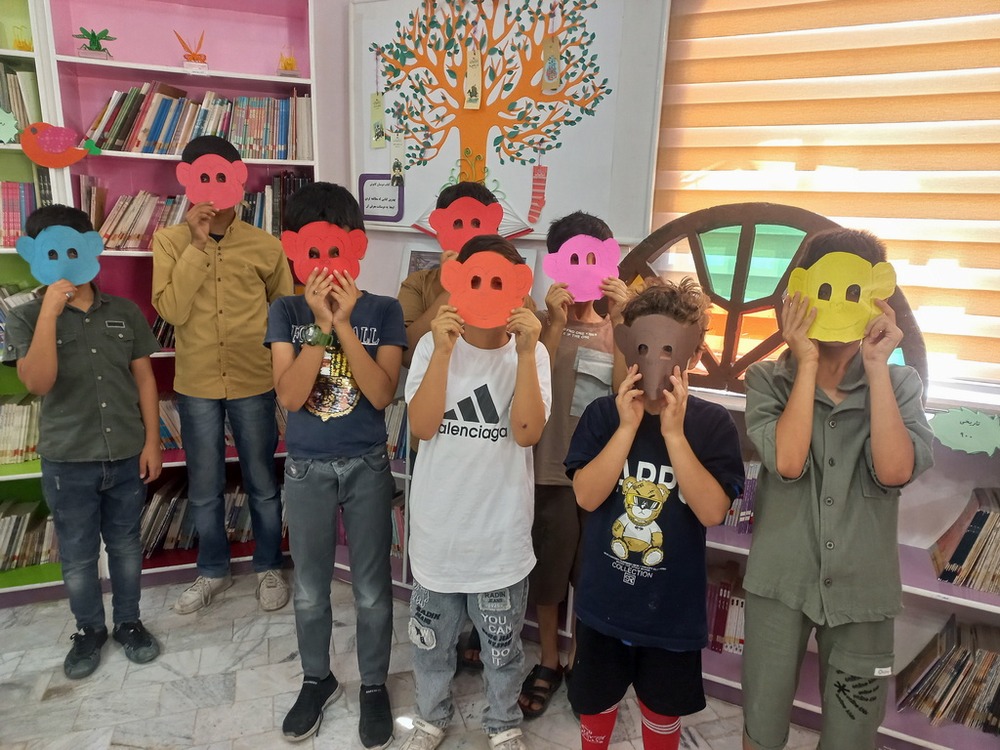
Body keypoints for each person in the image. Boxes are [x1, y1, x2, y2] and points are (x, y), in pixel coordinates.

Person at [740, 228, 934, 750]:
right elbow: (787, 461)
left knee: (852, 733)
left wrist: (876, 367)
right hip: (780, 583)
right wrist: (805, 361)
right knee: (761, 725)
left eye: (853, 292)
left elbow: (894, 471)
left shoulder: (899, 385)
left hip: (863, 591)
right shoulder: (768, 380)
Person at [565, 279, 745, 750]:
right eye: (644, 347)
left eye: (671, 349)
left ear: (694, 352)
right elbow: (586, 496)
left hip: (671, 614)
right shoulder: (603, 415)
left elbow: (712, 511)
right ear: (628, 345)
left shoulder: (712, 425)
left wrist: (674, 435)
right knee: (595, 707)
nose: (656, 362)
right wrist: (627, 428)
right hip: (603, 605)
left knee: (662, 714)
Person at [266, 182, 406, 747]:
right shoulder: (285, 311)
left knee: (372, 589)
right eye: (313, 252)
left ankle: (373, 684)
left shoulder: (384, 310)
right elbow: (290, 396)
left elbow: (381, 394)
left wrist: (344, 324)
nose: (325, 266)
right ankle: (316, 678)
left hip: (367, 466)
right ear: (294, 251)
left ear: (357, 247)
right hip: (307, 469)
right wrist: (320, 326)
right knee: (309, 589)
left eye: (336, 250)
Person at [401, 235, 552, 750]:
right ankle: (430, 716)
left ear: (519, 290)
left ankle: (502, 722)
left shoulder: (533, 355)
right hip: (438, 537)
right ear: (456, 284)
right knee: (431, 644)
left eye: (499, 282)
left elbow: (527, 432)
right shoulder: (431, 347)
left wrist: (526, 353)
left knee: (502, 648)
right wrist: (444, 351)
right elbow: (421, 427)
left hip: (500, 541)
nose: (486, 292)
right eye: (475, 280)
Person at [4, 205, 162, 679]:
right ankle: (89, 630)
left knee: (126, 546)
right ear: (35, 255)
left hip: (125, 453)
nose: (64, 261)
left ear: (90, 249)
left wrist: (152, 442)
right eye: (52, 252)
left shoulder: (124, 313)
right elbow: (37, 383)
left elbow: (145, 380)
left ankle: (129, 622)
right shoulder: (25, 317)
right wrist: (49, 314)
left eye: (72, 250)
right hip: (68, 461)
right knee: (76, 554)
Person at [152, 135, 293, 614]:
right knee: (205, 483)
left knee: (262, 479)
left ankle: (269, 565)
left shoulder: (265, 245)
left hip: (254, 377)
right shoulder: (169, 242)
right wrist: (195, 245)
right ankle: (212, 570)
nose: (212, 187)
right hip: (197, 382)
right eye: (202, 177)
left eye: (220, 176)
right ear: (187, 181)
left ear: (238, 179)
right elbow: (172, 310)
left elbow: (284, 312)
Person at [518, 211, 630, 718]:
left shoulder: (616, 330)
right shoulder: (540, 326)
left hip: (601, 479)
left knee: (590, 575)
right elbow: (531, 380)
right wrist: (556, 324)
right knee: (547, 574)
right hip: (549, 472)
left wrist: (623, 322)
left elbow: (628, 392)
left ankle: (581, 659)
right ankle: (548, 658)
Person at [398, 180, 503, 367]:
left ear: (495, 231)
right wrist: (453, 287)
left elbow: (530, 353)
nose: (468, 235)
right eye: (457, 224)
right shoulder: (418, 283)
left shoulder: (510, 284)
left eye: (477, 223)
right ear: (440, 231)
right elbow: (406, 357)